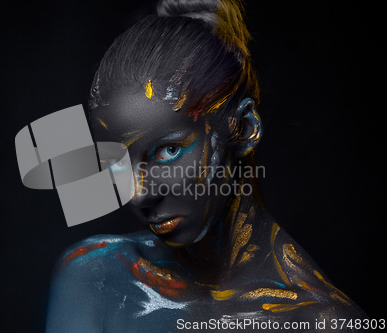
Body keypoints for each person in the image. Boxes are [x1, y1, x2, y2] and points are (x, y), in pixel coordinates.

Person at [46, 0, 368, 331]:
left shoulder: (320, 322)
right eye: (117, 160)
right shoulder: (95, 280)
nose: (138, 194)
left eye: (169, 150)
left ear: (243, 129)